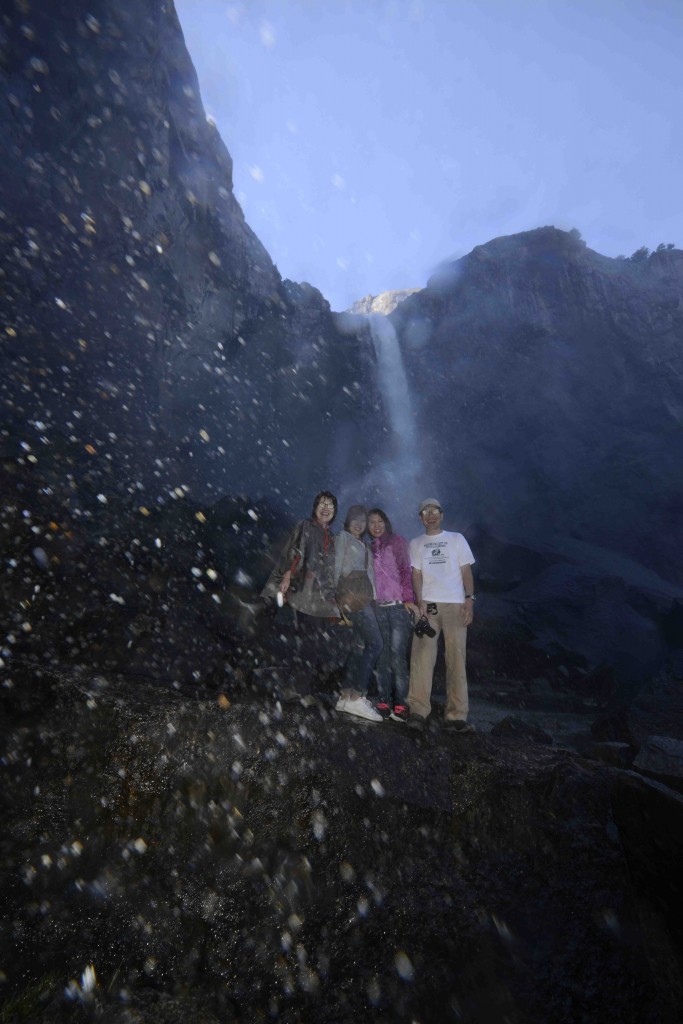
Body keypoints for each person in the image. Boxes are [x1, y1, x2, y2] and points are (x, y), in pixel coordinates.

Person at [261, 491, 343, 693]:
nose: (326, 508)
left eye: (330, 506)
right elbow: (296, 551)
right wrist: (288, 573)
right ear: (315, 508)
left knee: (313, 644)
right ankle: (295, 688)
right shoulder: (306, 525)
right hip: (305, 591)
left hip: (321, 597)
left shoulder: (331, 537)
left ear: (334, 512)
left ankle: (299, 687)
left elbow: (331, 569)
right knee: (308, 641)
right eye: (322, 504)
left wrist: (334, 600)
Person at [406, 498, 476, 733]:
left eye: (435, 511)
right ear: (420, 518)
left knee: (456, 660)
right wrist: (419, 600)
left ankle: (456, 715)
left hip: (456, 605)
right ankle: (418, 711)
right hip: (429, 607)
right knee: (422, 659)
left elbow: (466, 570)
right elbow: (416, 574)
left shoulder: (456, 539)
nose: (431, 515)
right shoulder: (416, 543)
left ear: (442, 515)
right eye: (426, 512)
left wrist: (470, 600)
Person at [366, 508, 419, 722]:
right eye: (372, 522)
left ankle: (401, 704)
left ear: (386, 523)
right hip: (379, 607)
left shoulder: (397, 542)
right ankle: (383, 701)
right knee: (382, 656)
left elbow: (406, 571)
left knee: (397, 656)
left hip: (398, 607)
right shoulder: (370, 548)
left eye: (380, 521)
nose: (376, 525)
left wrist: (408, 599)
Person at [334, 505, 384, 722]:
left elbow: (371, 576)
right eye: (355, 519)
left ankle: (345, 696)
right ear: (348, 521)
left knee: (360, 646)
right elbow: (335, 569)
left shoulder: (365, 545)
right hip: (351, 598)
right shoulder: (343, 538)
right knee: (376, 644)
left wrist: (373, 600)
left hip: (364, 599)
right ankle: (358, 697)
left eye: (362, 520)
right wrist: (334, 600)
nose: (359, 524)